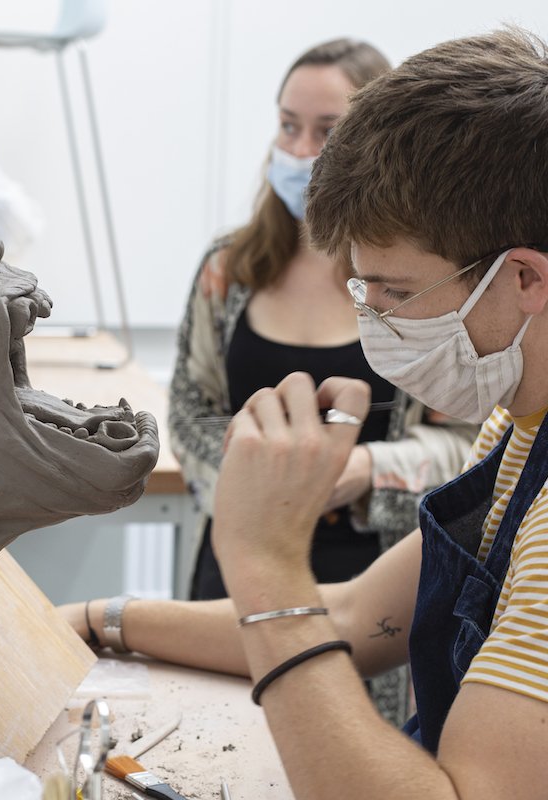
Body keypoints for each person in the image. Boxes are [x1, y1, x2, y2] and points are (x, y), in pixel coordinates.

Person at [65, 27, 548, 798]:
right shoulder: (519, 424)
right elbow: (358, 614)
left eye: (395, 294)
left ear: (521, 277)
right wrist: (97, 620)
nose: (375, 323)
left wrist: (262, 560)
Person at [166, 38, 476, 723]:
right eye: (288, 126)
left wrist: (366, 466)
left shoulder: (416, 282)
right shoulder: (230, 268)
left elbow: (471, 446)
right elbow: (188, 409)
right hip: (234, 565)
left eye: (328, 131)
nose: (302, 151)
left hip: (372, 577)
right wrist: (259, 486)